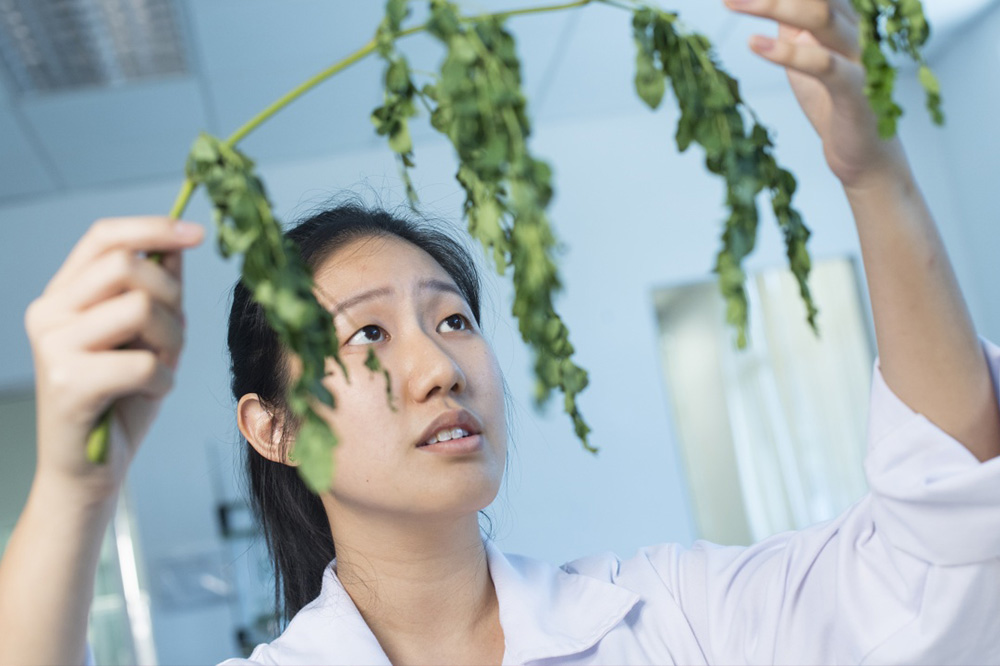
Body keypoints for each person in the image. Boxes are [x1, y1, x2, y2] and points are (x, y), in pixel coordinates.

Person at [2, 0, 999, 664]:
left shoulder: (669, 620)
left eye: (454, 318)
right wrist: (73, 486)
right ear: (269, 427)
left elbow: (939, 557)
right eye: (368, 339)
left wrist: (875, 178)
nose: (439, 367)